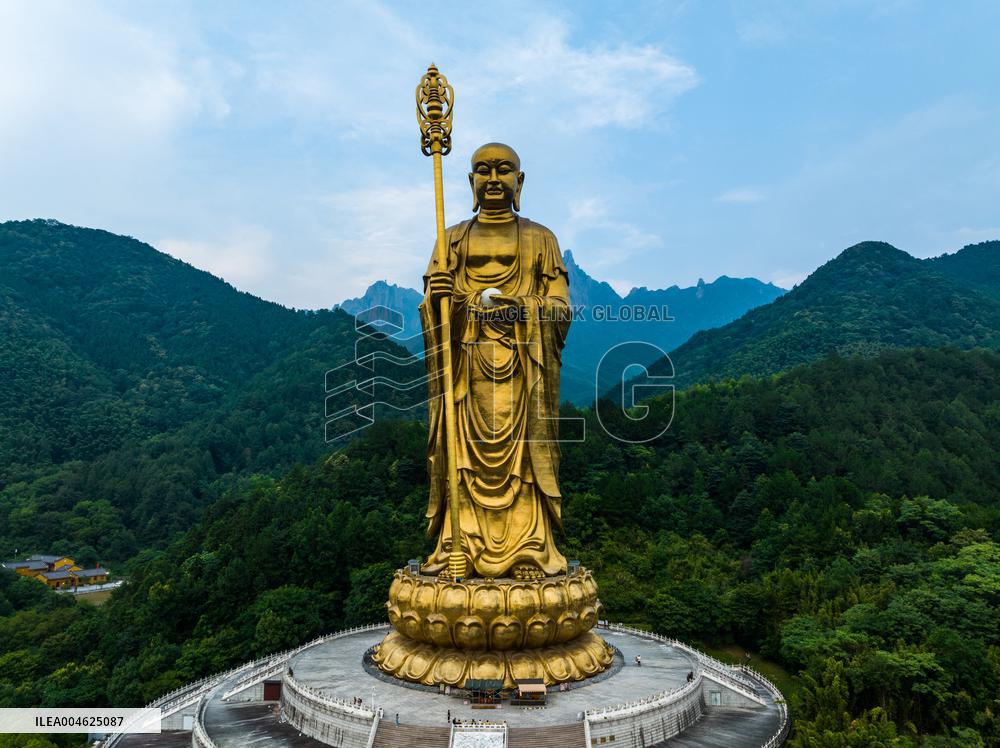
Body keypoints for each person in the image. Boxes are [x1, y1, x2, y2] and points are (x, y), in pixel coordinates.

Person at [419, 143, 572, 581]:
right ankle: (459, 543)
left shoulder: (541, 239)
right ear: (469, 182)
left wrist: (517, 308)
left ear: (519, 182)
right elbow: (431, 311)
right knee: (462, 461)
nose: (492, 179)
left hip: (524, 371)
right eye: (482, 171)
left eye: (503, 170)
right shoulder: (449, 240)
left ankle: (529, 547)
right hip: (466, 374)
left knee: (522, 462)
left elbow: (560, 308)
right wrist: (443, 299)